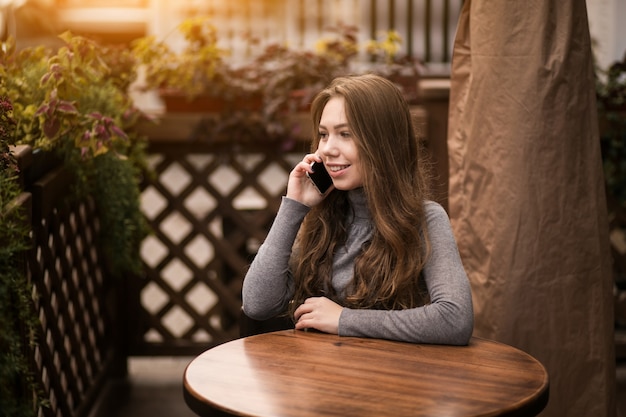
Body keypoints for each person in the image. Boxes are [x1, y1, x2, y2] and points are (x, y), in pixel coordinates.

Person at [242, 74, 473, 345]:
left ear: (383, 143)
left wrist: (344, 319)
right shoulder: (322, 219)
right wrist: (294, 207)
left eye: (345, 134)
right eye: (323, 135)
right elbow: (257, 305)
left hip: (393, 380)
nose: (328, 149)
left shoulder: (425, 219)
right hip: (324, 377)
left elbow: (455, 319)